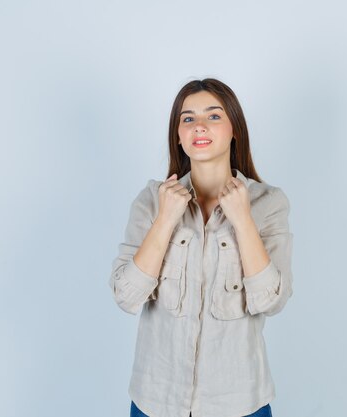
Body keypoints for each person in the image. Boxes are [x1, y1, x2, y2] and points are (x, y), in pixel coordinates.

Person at [110, 78, 293, 417]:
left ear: (234, 128)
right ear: (178, 135)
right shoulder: (151, 201)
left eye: (213, 116)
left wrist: (242, 220)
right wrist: (166, 219)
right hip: (156, 401)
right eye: (188, 118)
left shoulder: (269, 203)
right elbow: (125, 295)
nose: (200, 127)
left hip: (239, 403)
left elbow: (271, 300)